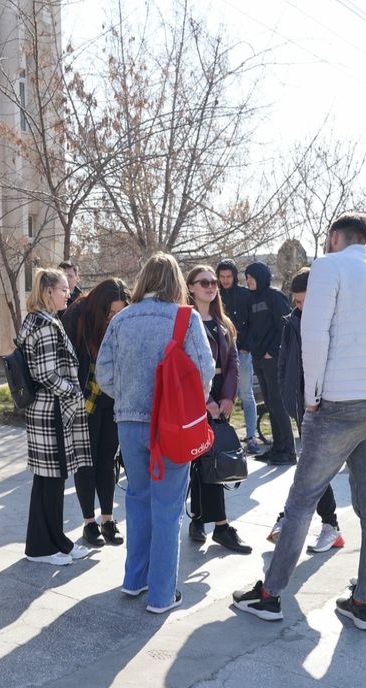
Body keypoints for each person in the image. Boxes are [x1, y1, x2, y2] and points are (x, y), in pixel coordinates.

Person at [234, 213, 366, 631]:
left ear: (333, 237)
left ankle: (270, 595)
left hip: (335, 402)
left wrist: (312, 395)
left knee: (301, 501)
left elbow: (314, 335)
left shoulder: (329, 267)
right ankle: (364, 603)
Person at [96, 253, 213, 613]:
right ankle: (162, 595)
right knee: (168, 507)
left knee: (137, 500)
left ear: (143, 279)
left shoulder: (122, 319)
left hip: (128, 423)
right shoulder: (186, 318)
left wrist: (127, 397)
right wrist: (186, 404)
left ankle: (135, 579)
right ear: (176, 281)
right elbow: (204, 371)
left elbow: (104, 374)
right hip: (171, 425)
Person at [20, 268, 92, 566]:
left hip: (46, 409)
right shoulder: (46, 325)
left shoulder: (38, 320)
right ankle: (47, 547)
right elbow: (46, 374)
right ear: (48, 291)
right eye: (64, 289)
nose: (68, 293)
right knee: (51, 481)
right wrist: (74, 392)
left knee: (47, 480)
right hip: (52, 411)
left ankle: (50, 543)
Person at [268, 268, 344, 553]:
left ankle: (299, 521)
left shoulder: (336, 321)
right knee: (312, 467)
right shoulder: (293, 321)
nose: (300, 307)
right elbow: (284, 362)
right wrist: (288, 396)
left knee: (313, 468)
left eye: (304, 301)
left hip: (328, 408)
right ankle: (324, 526)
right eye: (297, 301)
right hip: (302, 407)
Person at [185, 266, 251, 554]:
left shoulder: (223, 323)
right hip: (196, 399)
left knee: (208, 460)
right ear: (190, 287)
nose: (211, 286)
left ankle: (200, 520)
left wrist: (227, 398)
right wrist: (206, 400)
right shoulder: (186, 321)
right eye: (204, 282)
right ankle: (219, 526)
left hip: (220, 398)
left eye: (213, 282)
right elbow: (187, 367)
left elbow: (233, 364)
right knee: (203, 460)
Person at [60, 277, 127, 548]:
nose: (114, 318)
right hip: (83, 399)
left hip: (112, 398)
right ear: (99, 307)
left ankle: (107, 520)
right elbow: (66, 360)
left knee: (108, 459)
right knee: (86, 462)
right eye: (110, 312)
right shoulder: (77, 315)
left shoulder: (122, 321)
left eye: (120, 312)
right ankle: (89, 522)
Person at [244, 261, 295, 464]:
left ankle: (289, 451)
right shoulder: (251, 299)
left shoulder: (275, 296)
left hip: (273, 359)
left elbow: (285, 325)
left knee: (277, 404)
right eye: (246, 277)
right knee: (270, 404)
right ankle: (277, 448)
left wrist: (271, 352)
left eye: (250, 277)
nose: (247, 281)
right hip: (258, 359)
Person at [216, 259, 260, 454]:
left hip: (242, 352)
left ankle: (251, 437)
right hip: (220, 353)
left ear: (234, 276)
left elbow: (253, 322)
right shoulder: (214, 295)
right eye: (222, 276)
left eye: (229, 276)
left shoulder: (245, 295)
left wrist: (247, 347)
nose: (225, 280)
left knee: (246, 395)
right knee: (222, 394)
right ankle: (223, 437)